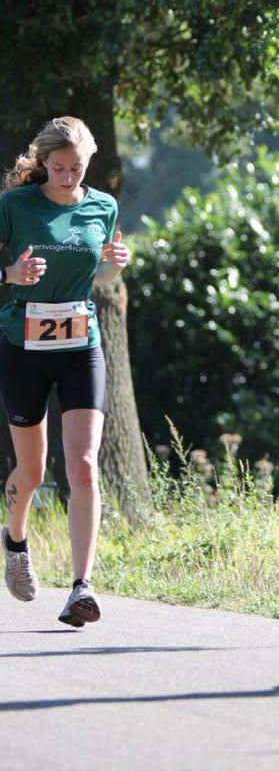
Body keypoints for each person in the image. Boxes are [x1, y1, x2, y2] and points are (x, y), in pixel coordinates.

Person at [0, 116, 130, 627]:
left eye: (77, 168)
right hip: (23, 344)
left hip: (82, 342)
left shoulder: (103, 205)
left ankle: (82, 586)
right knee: (32, 472)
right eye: (58, 168)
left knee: (83, 466)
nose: (69, 176)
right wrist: (10, 274)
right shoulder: (14, 206)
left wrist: (115, 263)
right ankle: (14, 538)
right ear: (43, 163)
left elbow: (100, 274)